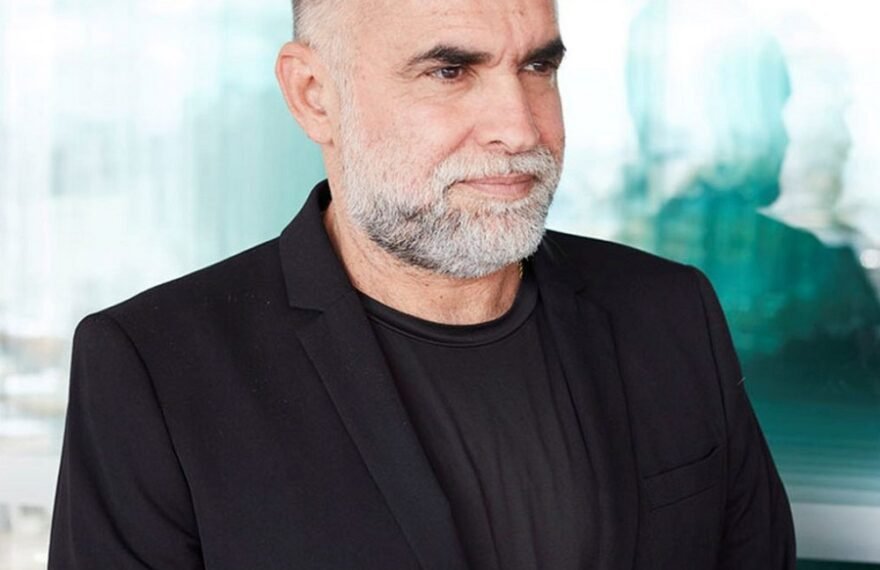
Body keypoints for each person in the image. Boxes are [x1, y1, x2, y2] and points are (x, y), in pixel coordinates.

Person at [48, 0, 795, 568]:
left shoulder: (668, 311)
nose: (520, 128)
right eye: (450, 72)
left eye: (538, 67)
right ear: (314, 94)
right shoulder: (155, 366)